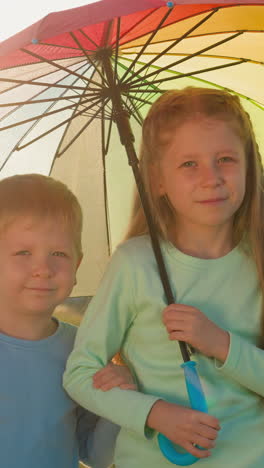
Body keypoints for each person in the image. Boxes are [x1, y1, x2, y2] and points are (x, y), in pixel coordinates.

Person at [63, 86, 264, 468]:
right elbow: (81, 373)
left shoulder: (259, 261)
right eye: (189, 164)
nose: (212, 177)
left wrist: (221, 344)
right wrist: (156, 413)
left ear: (249, 164)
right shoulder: (136, 265)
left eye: (225, 159)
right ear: (156, 180)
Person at [0, 173, 136, 468]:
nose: (43, 268)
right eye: (24, 252)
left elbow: (96, 456)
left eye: (59, 253)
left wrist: (121, 400)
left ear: (77, 265)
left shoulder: (83, 350)